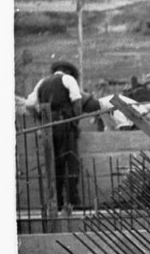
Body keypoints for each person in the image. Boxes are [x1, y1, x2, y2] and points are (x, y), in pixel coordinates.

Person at [30, 60, 101, 211]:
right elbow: (76, 101)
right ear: (68, 72)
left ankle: (57, 202)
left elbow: (29, 105)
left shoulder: (42, 83)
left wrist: (39, 118)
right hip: (65, 126)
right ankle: (73, 202)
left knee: (54, 165)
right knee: (71, 162)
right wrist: (76, 121)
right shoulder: (68, 79)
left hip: (48, 128)